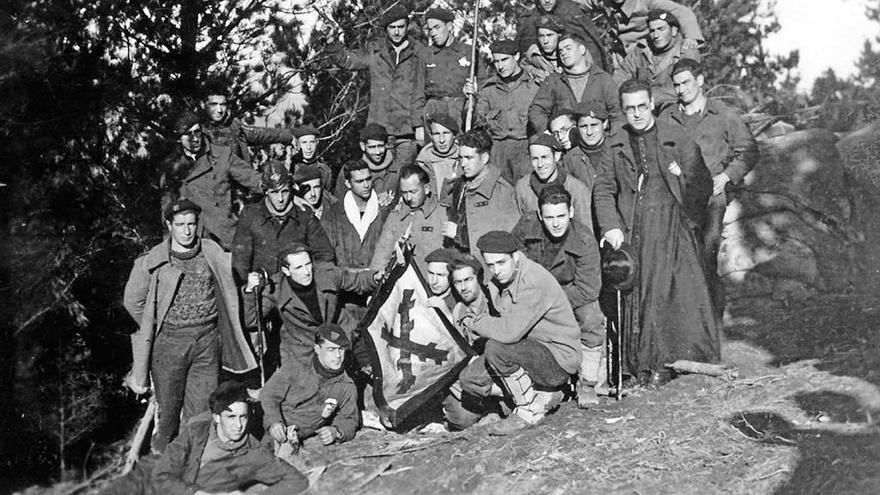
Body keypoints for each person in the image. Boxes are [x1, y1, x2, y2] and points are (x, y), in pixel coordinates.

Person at [593, 79, 719, 387]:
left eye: (641, 106)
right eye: (629, 109)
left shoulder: (676, 136)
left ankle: (670, 362)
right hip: (634, 229)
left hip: (673, 225)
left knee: (670, 292)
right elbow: (604, 189)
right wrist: (611, 226)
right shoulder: (615, 144)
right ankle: (640, 367)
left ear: (651, 104)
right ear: (622, 111)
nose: (636, 114)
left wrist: (689, 218)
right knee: (640, 293)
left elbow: (701, 182)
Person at [123, 199, 257, 453]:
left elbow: (232, 277)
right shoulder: (154, 260)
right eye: (180, 224)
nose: (187, 231)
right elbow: (132, 300)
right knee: (169, 413)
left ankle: (191, 469)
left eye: (192, 224)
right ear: (169, 225)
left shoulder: (211, 251)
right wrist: (155, 325)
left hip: (207, 340)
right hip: (169, 344)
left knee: (200, 413)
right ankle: (161, 459)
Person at [659, 58, 758, 319]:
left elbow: (748, 150)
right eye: (676, 84)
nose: (681, 89)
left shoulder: (722, 114)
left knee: (706, 253)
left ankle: (710, 320)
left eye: (686, 82)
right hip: (676, 194)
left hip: (711, 196)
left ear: (700, 81)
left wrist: (726, 177)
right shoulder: (667, 116)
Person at [456, 231, 581, 434]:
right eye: (490, 265)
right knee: (470, 379)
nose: (496, 270)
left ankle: (529, 410)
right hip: (526, 352)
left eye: (501, 263)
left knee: (495, 348)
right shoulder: (501, 279)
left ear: (515, 256)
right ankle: (542, 396)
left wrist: (475, 322)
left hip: (556, 358)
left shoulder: (533, 280)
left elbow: (508, 332)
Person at [512, 185, 605, 407]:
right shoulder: (526, 228)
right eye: (549, 217)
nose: (556, 223)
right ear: (539, 214)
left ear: (571, 212)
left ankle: (588, 382)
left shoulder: (584, 240)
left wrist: (553, 303)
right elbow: (514, 262)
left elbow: (588, 288)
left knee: (591, 317)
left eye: (561, 216)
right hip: (533, 292)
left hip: (570, 294)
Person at [151, 381, 308, 494]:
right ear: (217, 417)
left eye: (243, 417)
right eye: (231, 417)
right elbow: (162, 475)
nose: (238, 425)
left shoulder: (255, 452)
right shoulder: (196, 432)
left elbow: (296, 480)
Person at [242, 243, 379, 365]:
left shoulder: (326, 273)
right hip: (302, 350)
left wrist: (376, 277)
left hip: (339, 336)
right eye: (299, 267)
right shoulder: (275, 288)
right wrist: (249, 291)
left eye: (308, 264)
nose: (306, 272)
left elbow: (357, 281)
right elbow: (253, 321)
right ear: (286, 270)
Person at [323, 5, 426, 165]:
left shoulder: (419, 52)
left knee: (404, 177)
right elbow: (347, 60)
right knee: (378, 178)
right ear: (386, 28)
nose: (397, 32)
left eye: (401, 27)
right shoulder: (375, 50)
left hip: (407, 130)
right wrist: (331, 41)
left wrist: (420, 125)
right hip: (379, 130)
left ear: (407, 26)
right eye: (392, 28)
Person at [160, 112, 263, 249]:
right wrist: (169, 247)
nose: (195, 139)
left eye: (197, 132)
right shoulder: (172, 168)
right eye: (188, 134)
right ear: (179, 138)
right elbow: (167, 213)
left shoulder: (222, 155)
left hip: (223, 235)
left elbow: (254, 179)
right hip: (191, 238)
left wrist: (283, 191)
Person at [260, 323, 359, 455]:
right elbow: (268, 395)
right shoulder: (295, 367)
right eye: (331, 349)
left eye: (341, 349)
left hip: (301, 438)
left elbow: (349, 419)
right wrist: (274, 422)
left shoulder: (346, 386)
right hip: (271, 429)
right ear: (317, 349)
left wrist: (336, 432)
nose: (338, 356)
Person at [231, 161, 335, 285]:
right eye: (274, 192)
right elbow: (240, 263)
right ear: (265, 191)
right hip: (265, 291)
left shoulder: (304, 215)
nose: (280, 199)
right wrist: (248, 287)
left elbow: (325, 255)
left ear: (290, 189)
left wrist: (308, 278)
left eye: (284, 192)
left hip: (298, 291)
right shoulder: (251, 216)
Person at [321, 160, 390, 321]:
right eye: (359, 181)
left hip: (377, 292)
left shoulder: (384, 209)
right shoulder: (334, 213)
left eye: (368, 179)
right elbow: (326, 255)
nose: (366, 185)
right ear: (347, 183)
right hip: (347, 296)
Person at [464, 40, 540, 184]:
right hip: (497, 153)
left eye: (504, 60)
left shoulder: (534, 87)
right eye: (496, 61)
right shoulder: (488, 89)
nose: (500, 66)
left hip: (526, 152)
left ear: (516, 56)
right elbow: (476, 122)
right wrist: (470, 100)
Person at [440, 128, 520, 255]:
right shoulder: (459, 185)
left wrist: (459, 233)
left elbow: (507, 239)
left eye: (469, 158)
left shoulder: (502, 191)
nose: (463, 163)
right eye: (461, 158)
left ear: (484, 158)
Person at [528, 31, 620, 135]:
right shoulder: (554, 81)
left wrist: (612, 139)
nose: (563, 53)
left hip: (597, 143)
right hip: (565, 145)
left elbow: (617, 114)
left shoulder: (603, 79)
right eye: (561, 50)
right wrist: (547, 134)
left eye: (568, 48)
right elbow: (537, 109)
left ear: (582, 50)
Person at [369, 165, 447, 276]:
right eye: (404, 192)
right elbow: (381, 254)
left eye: (413, 192)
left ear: (426, 189)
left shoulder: (442, 214)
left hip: (433, 283)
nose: (408, 198)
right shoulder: (395, 217)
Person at [615, 9, 700, 111]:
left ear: (673, 30)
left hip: (674, 109)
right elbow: (621, 75)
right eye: (652, 31)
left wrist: (647, 97)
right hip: (642, 108)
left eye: (661, 29)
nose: (656, 35)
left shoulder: (686, 52)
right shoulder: (641, 49)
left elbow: (688, 87)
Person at [200, 79, 296, 163]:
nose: (219, 110)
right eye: (213, 104)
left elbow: (261, 134)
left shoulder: (234, 127)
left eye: (223, 104)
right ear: (203, 104)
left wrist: (288, 136)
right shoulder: (195, 131)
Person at [515, 134, 594, 229]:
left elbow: (586, 232)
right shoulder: (523, 187)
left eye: (544, 157)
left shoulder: (577, 189)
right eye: (535, 159)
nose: (540, 164)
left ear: (556, 156)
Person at [516, 0, 608, 71]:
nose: (547, 1)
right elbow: (523, 59)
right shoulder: (529, 20)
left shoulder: (571, 12)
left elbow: (593, 48)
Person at [581, 0, 703, 53]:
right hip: (621, 57)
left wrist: (691, 37)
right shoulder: (602, 1)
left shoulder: (646, 1)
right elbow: (575, 4)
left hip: (647, 53)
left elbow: (682, 12)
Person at [421, 8, 472, 126]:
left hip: (460, 113)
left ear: (449, 26)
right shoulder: (426, 55)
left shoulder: (469, 53)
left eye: (437, 27)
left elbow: (482, 86)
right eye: (430, 29)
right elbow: (418, 93)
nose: (433, 33)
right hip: (433, 113)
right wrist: (419, 125)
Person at [334, 123, 402, 200]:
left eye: (380, 146)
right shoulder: (350, 169)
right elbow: (339, 200)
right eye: (372, 147)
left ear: (386, 145)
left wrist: (392, 197)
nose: (377, 152)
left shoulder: (398, 169)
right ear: (363, 146)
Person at [562, 99, 611, 192]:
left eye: (594, 125)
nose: (589, 132)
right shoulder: (570, 159)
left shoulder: (617, 152)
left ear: (604, 124)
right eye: (584, 126)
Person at [416, 113, 461, 195]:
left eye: (446, 133)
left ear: (454, 135)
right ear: (430, 136)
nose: (441, 140)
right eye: (436, 134)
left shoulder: (464, 159)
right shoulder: (422, 162)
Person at [520, 15, 565, 83]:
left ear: (559, 35)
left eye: (550, 35)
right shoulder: (534, 53)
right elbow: (522, 66)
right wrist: (534, 71)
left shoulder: (568, 52)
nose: (545, 41)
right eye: (541, 36)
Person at [290, 125, 333, 189]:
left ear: (317, 143)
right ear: (297, 145)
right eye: (304, 142)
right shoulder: (291, 167)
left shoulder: (324, 170)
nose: (309, 147)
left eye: (312, 142)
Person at [422, 248, 460, 321]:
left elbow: (464, 331)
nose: (434, 281)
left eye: (440, 275)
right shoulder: (420, 293)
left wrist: (447, 314)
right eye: (431, 273)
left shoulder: (460, 302)